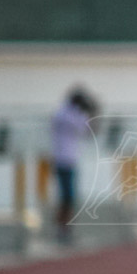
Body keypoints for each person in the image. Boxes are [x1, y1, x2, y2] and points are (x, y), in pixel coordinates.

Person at [49, 86, 98, 242]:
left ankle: (64, 229)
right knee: (68, 197)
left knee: (67, 197)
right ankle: (63, 229)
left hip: (65, 159)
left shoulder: (62, 113)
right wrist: (93, 111)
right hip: (65, 161)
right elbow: (90, 130)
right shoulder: (69, 115)